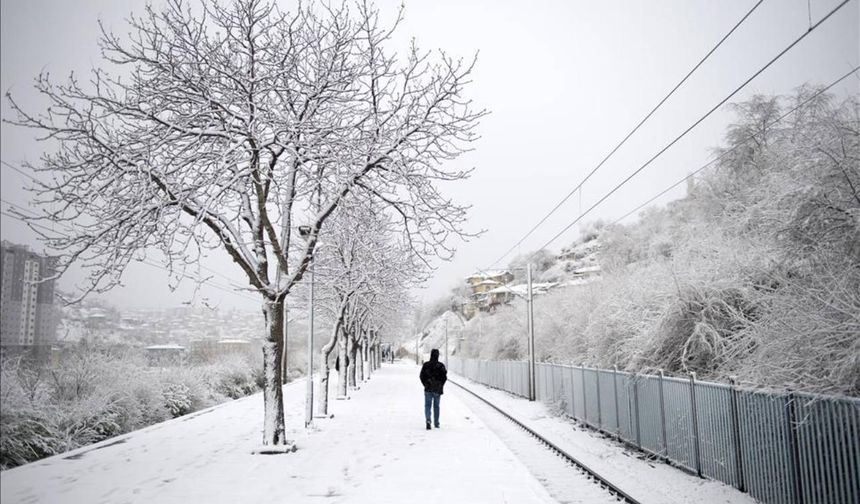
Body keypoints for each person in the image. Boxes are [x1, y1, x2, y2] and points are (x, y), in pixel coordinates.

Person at [419, 348, 447, 430]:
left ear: (431, 355)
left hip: (428, 388)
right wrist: (440, 385)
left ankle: (428, 420)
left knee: (427, 405)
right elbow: (444, 377)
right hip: (437, 389)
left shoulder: (426, 365)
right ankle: (436, 423)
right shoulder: (441, 366)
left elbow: (421, 376)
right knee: (436, 406)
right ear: (438, 356)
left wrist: (425, 384)